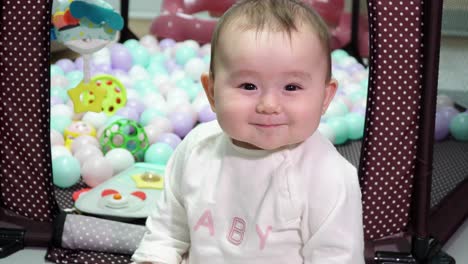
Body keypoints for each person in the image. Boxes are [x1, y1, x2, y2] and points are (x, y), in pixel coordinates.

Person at [132, 0, 364, 263]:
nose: (268, 105)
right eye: (248, 85)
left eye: (291, 87)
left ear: (324, 97)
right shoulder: (197, 147)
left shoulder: (328, 175)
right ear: (212, 92)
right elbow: (167, 231)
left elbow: (337, 257)